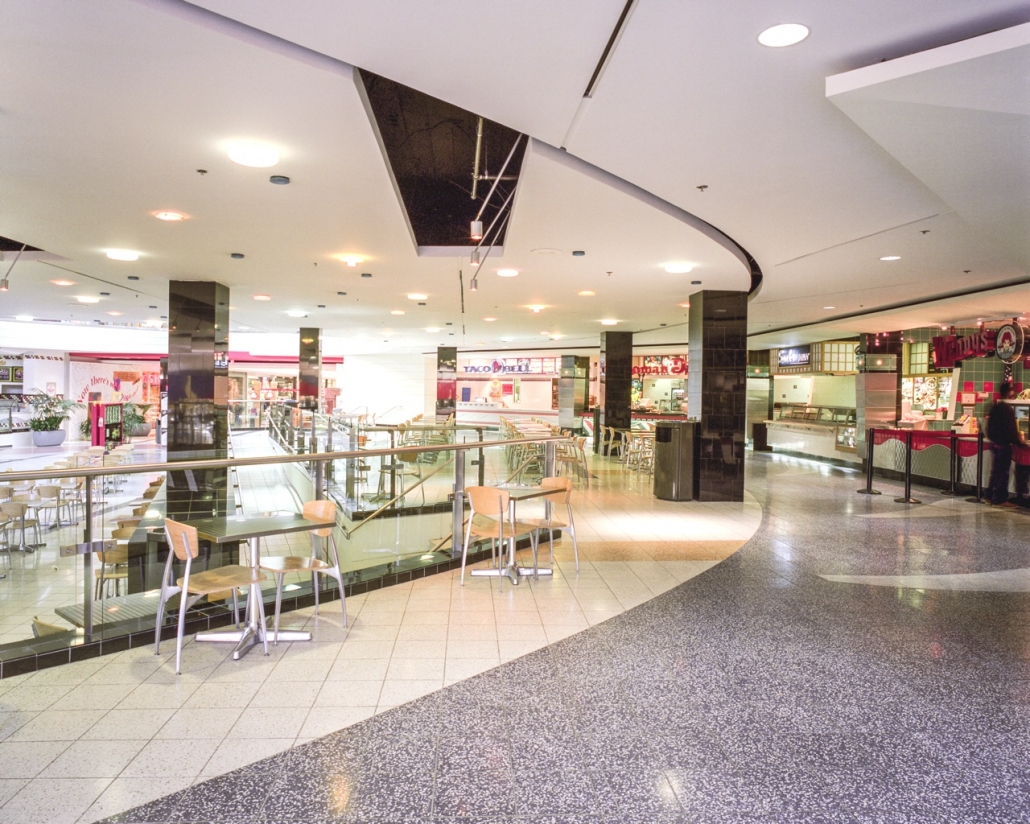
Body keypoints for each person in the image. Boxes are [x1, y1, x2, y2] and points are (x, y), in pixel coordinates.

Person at [985, 382, 1023, 508]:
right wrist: (1019, 443)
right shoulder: (1007, 410)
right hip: (1003, 445)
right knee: (1003, 472)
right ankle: (1000, 499)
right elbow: (1011, 429)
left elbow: (989, 427)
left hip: (994, 444)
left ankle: (990, 496)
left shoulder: (995, 407)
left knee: (995, 471)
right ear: (1009, 392)